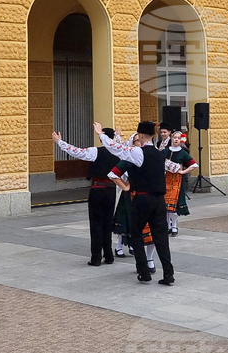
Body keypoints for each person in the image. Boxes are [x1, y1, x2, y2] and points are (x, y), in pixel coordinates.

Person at [96, 120, 179, 285]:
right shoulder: (159, 154)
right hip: (159, 200)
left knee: (136, 234)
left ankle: (144, 272)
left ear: (140, 135)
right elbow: (175, 168)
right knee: (161, 237)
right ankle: (168, 274)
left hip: (142, 199)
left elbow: (116, 148)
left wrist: (101, 134)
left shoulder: (138, 152)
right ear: (153, 135)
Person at [54, 128, 121, 265]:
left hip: (97, 189)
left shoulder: (96, 151)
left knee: (96, 223)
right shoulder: (119, 153)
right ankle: (108, 255)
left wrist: (60, 142)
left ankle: (96, 257)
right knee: (108, 222)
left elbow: (76, 151)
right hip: (111, 190)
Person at [163, 131, 199, 236]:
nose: (176, 139)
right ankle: (167, 226)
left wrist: (183, 172)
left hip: (177, 181)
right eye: (174, 137)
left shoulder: (183, 153)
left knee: (173, 206)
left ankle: (174, 226)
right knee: (165, 206)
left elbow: (194, 165)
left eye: (178, 138)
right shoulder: (165, 151)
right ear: (172, 138)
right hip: (166, 180)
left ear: (181, 140)